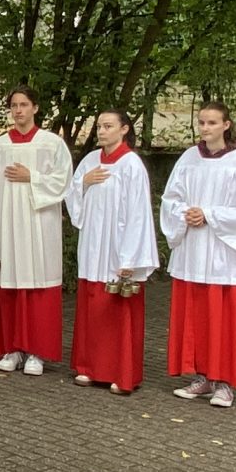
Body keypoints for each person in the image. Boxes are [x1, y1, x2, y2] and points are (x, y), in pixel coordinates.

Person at [160, 102, 236, 408]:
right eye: (202, 122)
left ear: (226, 125)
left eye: (212, 123)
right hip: (193, 250)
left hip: (223, 255)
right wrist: (186, 213)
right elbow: (170, 198)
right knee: (196, 316)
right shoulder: (189, 157)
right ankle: (202, 377)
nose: (205, 128)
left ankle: (224, 384)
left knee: (222, 318)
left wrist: (209, 214)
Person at [0, 88, 74, 374]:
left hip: (39, 226)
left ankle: (37, 352)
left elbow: (64, 182)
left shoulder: (52, 144)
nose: (18, 110)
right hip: (5, 226)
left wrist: (33, 177)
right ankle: (12, 348)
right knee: (8, 284)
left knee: (38, 285)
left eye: (24, 105)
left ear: (35, 108)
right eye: (14, 105)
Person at [65, 109, 158, 393]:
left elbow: (139, 213)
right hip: (93, 245)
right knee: (93, 307)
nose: (102, 131)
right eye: (99, 127)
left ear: (124, 129)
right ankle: (89, 367)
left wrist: (130, 256)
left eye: (108, 126)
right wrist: (83, 183)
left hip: (118, 247)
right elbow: (73, 197)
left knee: (117, 310)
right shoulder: (91, 160)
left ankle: (121, 372)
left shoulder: (131, 165)